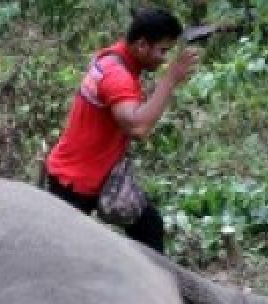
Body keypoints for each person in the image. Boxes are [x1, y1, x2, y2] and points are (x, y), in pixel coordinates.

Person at [44, 8, 199, 253]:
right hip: (75, 182)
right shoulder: (117, 75)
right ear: (141, 45)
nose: (164, 59)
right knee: (60, 255)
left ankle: (152, 287)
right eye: (162, 50)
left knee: (150, 227)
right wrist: (169, 81)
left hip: (95, 176)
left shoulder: (114, 57)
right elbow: (138, 127)